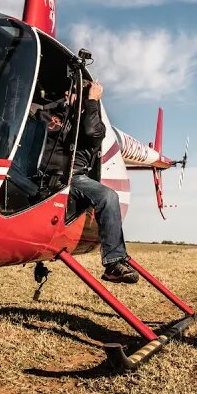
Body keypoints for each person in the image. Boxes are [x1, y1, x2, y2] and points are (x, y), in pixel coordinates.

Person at [69, 79, 139, 284]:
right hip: (44, 177)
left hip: (73, 178)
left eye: (75, 95)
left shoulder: (95, 126)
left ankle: (113, 262)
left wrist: (92, 101)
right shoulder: (57, 116)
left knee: (108, 196)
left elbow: (91, 132)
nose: (69, 98)